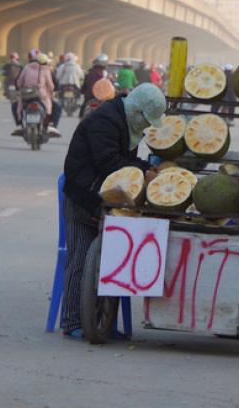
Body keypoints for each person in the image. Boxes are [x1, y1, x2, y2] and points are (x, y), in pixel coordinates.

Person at [60, 83, 166, 338]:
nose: (147, 127)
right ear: (137, 111)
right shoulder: (105, 121)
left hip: (109, 199)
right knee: (81, 259)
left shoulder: (126, 122)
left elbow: (126, 162)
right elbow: (110, 163)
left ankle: (104, 323)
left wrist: (147, 167)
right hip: (84, 196)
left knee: (118, 258)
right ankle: (72, 321)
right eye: (147, 120)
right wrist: (144, 170)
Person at [14, 51, 61, 136]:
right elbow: (51, 85)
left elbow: (19, 82)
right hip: (41, 96)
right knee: (56, 107)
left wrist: (21, 89)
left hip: (26, 95)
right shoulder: (46, 69)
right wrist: (51, 92)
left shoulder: (26, 68)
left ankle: (20, 124)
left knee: (15, 105)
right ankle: (50, 125)